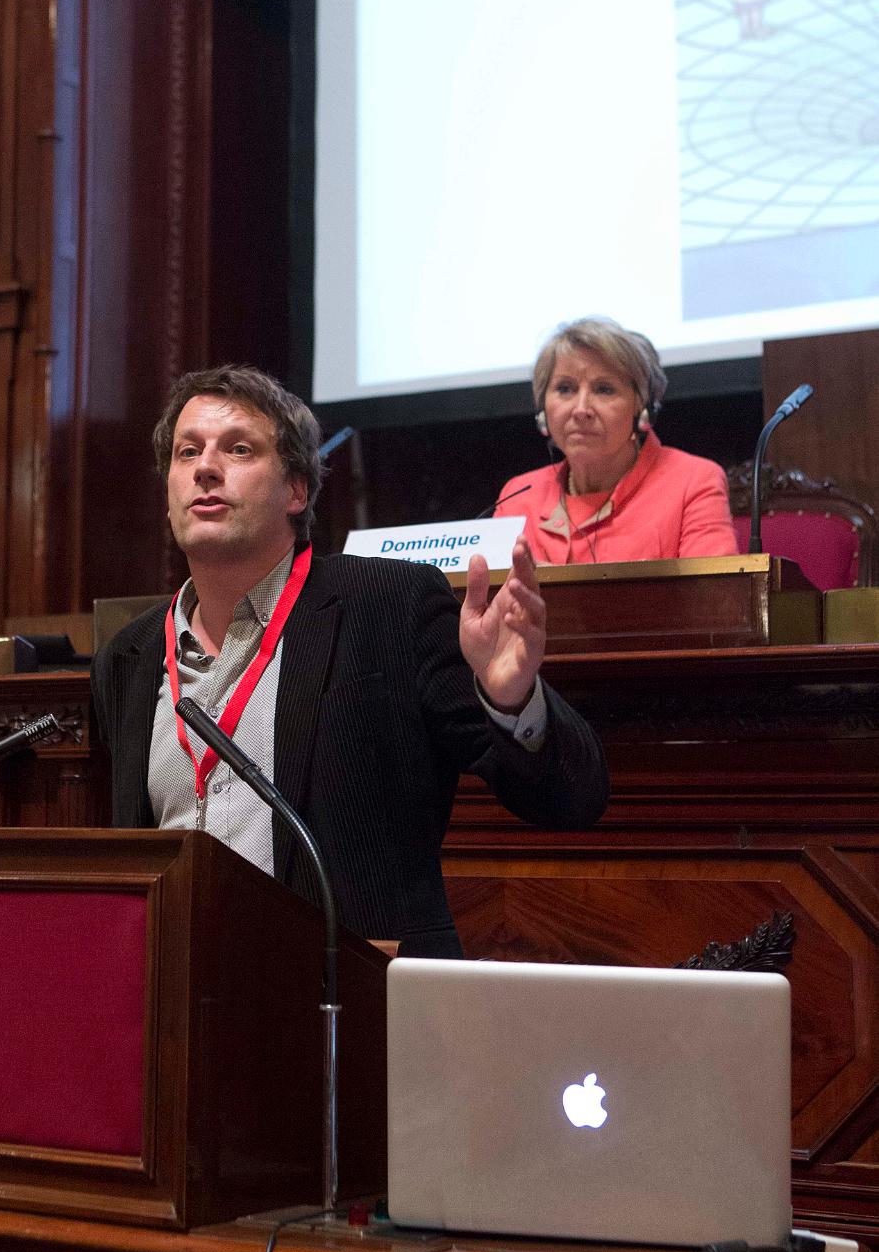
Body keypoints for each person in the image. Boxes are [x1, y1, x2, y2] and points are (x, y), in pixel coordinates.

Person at [92, 365, 608, 954]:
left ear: (296, 490)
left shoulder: (389, 608)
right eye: (187, 453)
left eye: (238, 449)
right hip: (174, 988)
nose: (205, 468)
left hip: (346, 994)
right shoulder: (128, 658)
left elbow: (570, 801)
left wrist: (513, 700)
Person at [494, 317, 736, 564]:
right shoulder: (517, 497)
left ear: (641, 406)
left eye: (604, 389)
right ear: (542, 407)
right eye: (565, 389)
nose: (581, 409)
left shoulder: (693, 482)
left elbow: (715, 598)